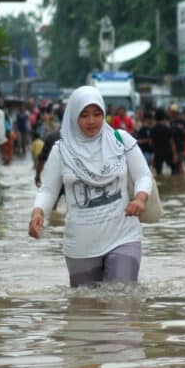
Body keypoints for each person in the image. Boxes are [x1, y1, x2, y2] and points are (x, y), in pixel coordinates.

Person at [28, 86, 154, 287]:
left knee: (122, 300)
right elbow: (48, 190)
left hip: (123, 236)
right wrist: (38, 212)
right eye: (84, 115)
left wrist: (140, 198)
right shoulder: (61, 151)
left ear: (104, 114)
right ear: (73, 116)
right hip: (81, 244)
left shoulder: (121, 140)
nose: (92, 121)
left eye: (97, 114)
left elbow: (144, 175)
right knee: (84, 309)